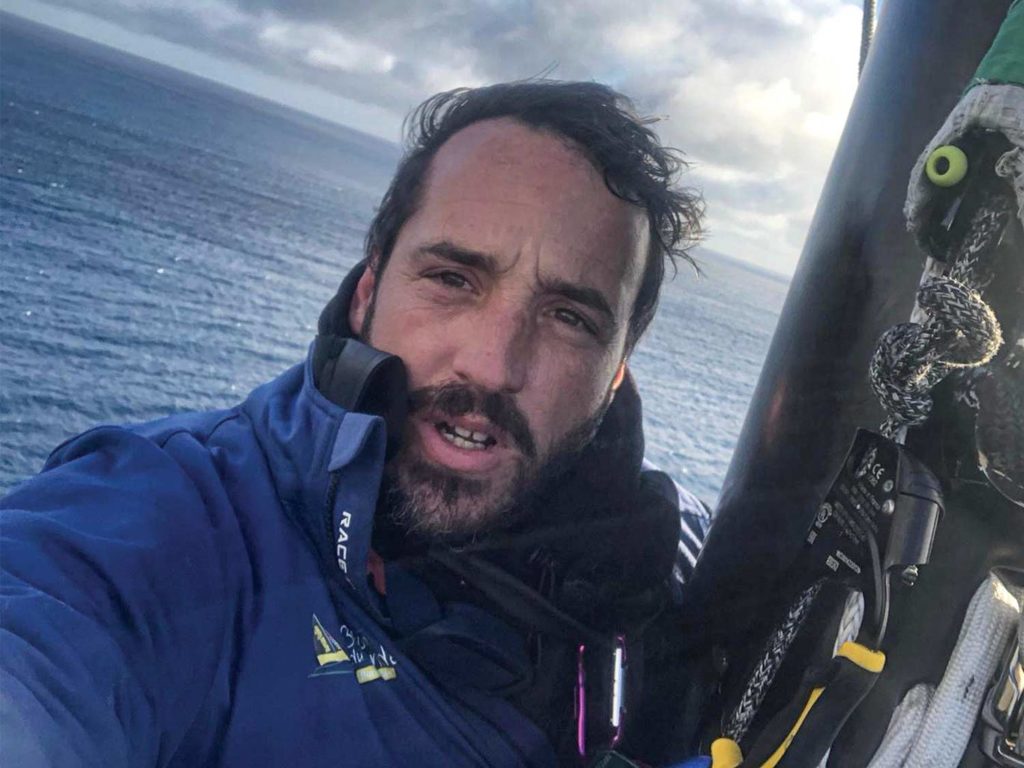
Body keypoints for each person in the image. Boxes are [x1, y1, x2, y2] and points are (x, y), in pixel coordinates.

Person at [0, 80, 712, 767]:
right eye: (452, 279)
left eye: (568, 318)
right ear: (369, 291)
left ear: (617, 371)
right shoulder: (182, 524)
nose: (494, 366)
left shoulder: (653, 568)